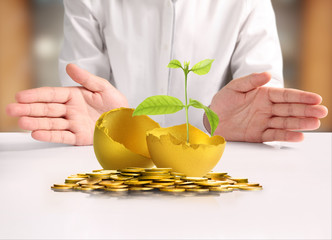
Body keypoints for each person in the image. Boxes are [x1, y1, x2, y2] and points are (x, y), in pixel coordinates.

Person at [6, 0, 328, 145]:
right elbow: (84, 92)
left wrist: (218, 125)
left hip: (213, 173)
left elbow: (263, 101)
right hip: (119, 168)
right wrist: (110, 124)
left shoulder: (248, 3)